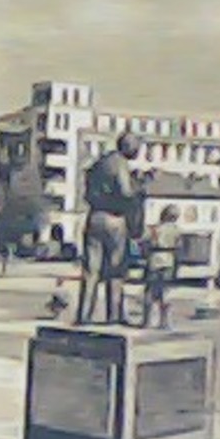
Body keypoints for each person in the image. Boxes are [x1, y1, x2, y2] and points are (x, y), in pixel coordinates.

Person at [76, 132, 143, 325]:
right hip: (114, 219)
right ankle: (114, 315)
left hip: (94, 217)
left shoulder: (99, 163)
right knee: (116, 269)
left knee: (91, 270)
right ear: (128, 146)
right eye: (136, 147)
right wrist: (139, 186)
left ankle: (84, 315)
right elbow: (125, 192)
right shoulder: (119, 162)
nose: (138, 151)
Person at [142, 205, 181, 330]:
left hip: (155, 259)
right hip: (169, 260)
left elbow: (146, 244)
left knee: (150, 291)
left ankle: (147, 321)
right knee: (165, 291)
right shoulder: (177, 230)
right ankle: (165, 322)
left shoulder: (155, 229)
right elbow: (179, 248)